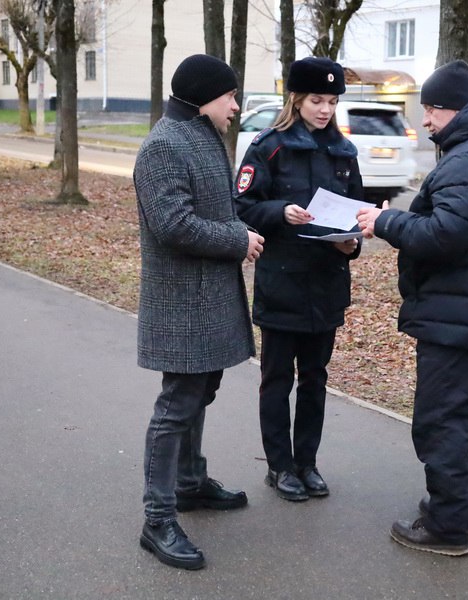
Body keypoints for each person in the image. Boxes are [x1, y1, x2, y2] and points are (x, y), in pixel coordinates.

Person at [356, 60, 468, 556]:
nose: (425, 120)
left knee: (443, 421)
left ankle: (446, 527)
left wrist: (386, 223)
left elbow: (446, 235)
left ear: (452, 109)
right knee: (466, 417)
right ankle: (463, 512)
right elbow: (458, 225)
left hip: (456, 314)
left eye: (430, 110)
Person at [133, 53, 265, 570]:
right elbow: (175, 225)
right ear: (206, 95)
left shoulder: (203, 135)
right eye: (231, 95)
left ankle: (188, 483)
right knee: (177, 405)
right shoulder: (164, 144)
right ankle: (157, 518)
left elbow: (218, 207)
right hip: (182, 302)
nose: (236, 106)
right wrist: (239, 239)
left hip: (208, 298)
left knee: (199, 392)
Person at [234, 57, 364, 502]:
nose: (325, 109)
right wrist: (279, 212)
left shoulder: (344, 153)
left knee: (315, 378)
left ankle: (307, 464)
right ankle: (279, 467)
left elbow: (358, 214)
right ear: (296, 99)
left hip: (326, 281)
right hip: (282, 280)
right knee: (276, 380)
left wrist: (352, 243)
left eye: (331, 101)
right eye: (316, 100)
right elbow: (243, 206)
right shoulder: (268, 146)